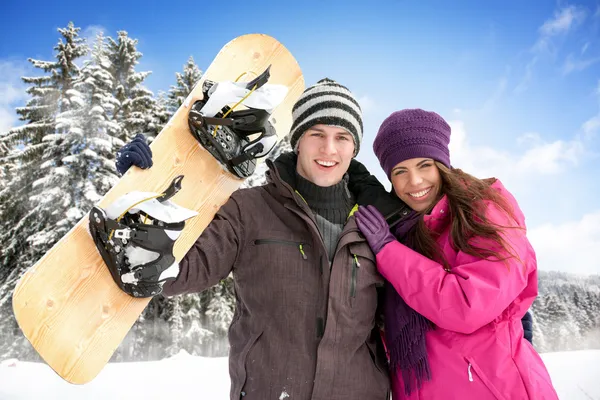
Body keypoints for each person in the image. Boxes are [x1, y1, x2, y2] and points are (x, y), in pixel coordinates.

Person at [114, 78, 405, 400]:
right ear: (298, 141)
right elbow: (178, 274)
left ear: (354, 147)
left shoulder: (381, 223)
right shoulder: (248, 209)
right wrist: (138, 198)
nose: (329, 149)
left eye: (342, 137)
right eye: (316, 134)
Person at [354, 108, 558, 399]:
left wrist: (389, 252)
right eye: (400, 171)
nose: (414, 182)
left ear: (442, 164)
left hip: (493, 387)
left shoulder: (485, 212)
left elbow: (466, 305)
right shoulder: (408, 228)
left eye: (424, 165)